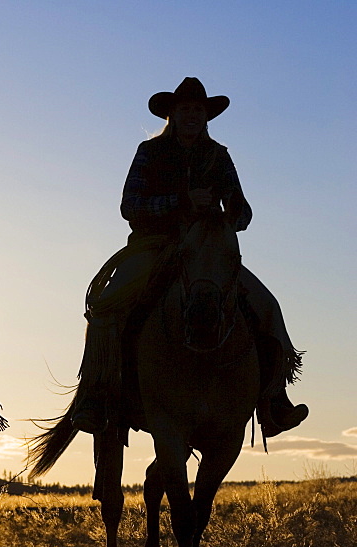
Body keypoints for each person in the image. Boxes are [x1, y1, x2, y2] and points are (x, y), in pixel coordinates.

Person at [71, 77, 307, 438]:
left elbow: (242, 213)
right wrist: (181, 203)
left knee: (267, 306)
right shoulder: (149, 153)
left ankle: (274, 401)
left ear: (206, 116)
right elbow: (129, 206)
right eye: (186, 109)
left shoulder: (219, 156)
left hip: (207, 252)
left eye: (198, 109)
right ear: (173, 114)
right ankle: (94, 395)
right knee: (106, 304)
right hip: (153, 248)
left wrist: (224, 215)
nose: (193, 115)